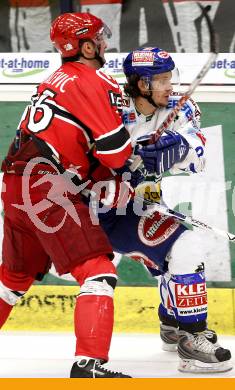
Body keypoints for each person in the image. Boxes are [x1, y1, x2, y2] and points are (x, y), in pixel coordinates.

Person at [0, 12, 134, 378]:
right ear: (86, 46)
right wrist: (137, 157)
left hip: (15, 183)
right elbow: (116, 153)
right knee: (98, 272)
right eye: (99, 39)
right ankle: (88, 364)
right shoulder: (88, 80)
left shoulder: (55, 79)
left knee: (13, 280)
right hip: (44, 185)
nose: (105, 45)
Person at [94, 47, 232, 373]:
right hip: (88, 209)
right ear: (141, 84)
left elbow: (199, 153)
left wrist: (179, 148)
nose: (170, 86)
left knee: (183, 249)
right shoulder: (107, 106)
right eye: (162, 80)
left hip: (134, 207)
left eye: (171, 77)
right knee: (23, 274)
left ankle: (185, 334)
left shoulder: (178, 107)